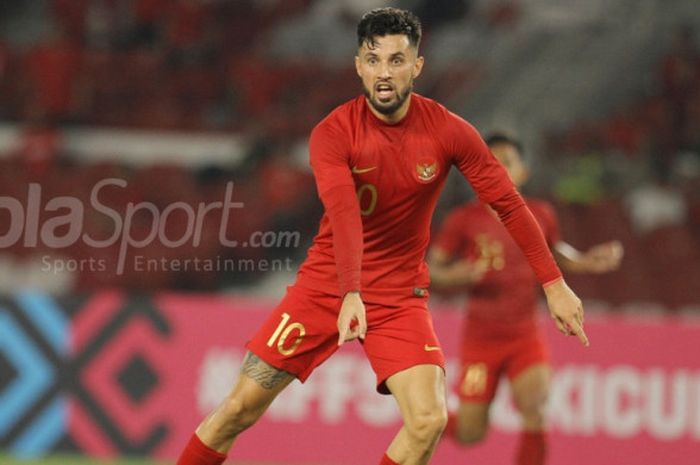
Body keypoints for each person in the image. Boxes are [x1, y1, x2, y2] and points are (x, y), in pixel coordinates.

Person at [176, 8, 588, 465]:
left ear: (417, 66)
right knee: (237, 409)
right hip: (326, 286)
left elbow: (509, 204)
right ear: (358, 65)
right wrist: (350, 292)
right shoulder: (333, 133)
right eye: (373, 60)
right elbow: (345, 213)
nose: (384, 73)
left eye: (396, 60)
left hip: (397, 295)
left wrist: (554, 284)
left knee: (429, 420)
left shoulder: (449, 131)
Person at [429, 133, 623, 465]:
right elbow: (433, 268)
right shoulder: (462, 220)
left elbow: (555, 254)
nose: (498, 170)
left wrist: (587, 260)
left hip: (524, 334)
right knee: (471, 433)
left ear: (524, 173)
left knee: (534, 406)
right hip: (481, 340)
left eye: (507, 163)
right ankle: (424, 420)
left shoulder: (540, 214)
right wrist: (455, 277)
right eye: (490, 164)